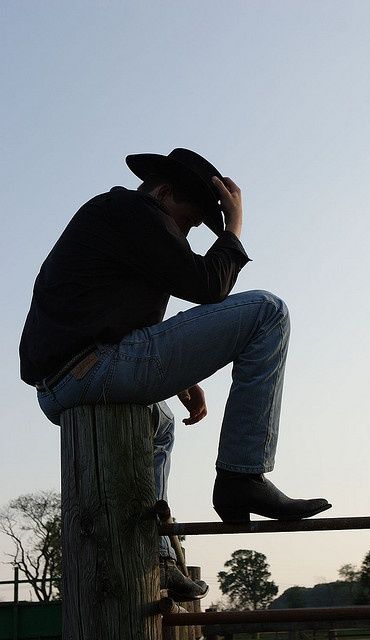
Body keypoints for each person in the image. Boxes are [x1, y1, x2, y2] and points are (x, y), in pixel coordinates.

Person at [19, 148, 331, 599]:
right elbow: (208, 285)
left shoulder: (116, 224)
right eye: (189, 220)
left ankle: (158, 556)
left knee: (159, 425)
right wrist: (235, 225)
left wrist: (182, 379)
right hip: (91, 368)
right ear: (164, 192)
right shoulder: (131, 208)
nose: (185, 234)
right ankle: (242, 476)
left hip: (65, 381)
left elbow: (108, 312)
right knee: (268, 311)